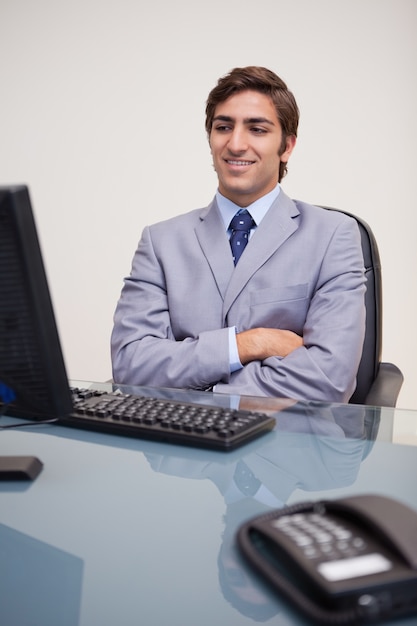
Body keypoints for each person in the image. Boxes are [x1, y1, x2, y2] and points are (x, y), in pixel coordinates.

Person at [111, 66, 366, 402]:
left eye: (257, 129)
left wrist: (200, 393)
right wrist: (249, 343)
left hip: (289, 445)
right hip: (184, 446)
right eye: (223, 127)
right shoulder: (161, 243)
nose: (236, 143)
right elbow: (130, 367)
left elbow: (328, 379)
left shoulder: (334, 235)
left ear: (286, 147)